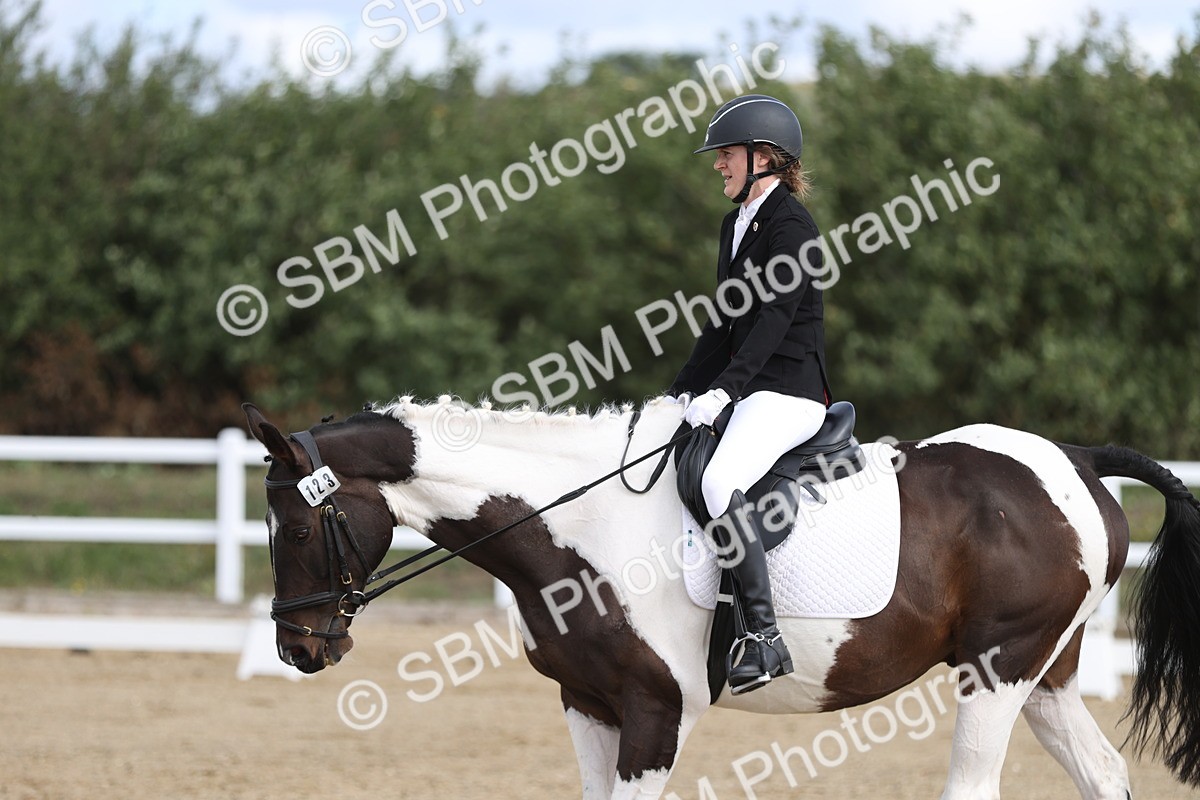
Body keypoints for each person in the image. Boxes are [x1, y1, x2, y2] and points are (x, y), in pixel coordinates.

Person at [668, 94, 831, 695]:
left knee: (718, 482)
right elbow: (723, 324)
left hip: (788, 391)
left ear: (763, 157)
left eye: (726, 154)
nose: (718, 164)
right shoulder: (734, 225)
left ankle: (764, 636)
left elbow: (772, 323)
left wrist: (723, 392)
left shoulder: (792, 227)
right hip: (748, 389)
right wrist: (680, 392)